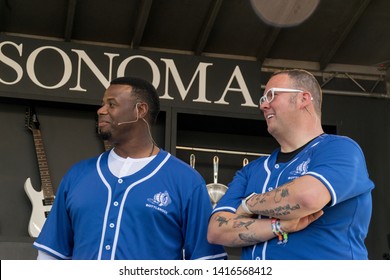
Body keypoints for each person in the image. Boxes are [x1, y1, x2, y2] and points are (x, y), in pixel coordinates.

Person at [33, 76, 227, 260]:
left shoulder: (186, 181)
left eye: (111, 104)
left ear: (140, 110)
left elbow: (206, 261)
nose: (101, 110)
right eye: (102, 104)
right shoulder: (78, 175)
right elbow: (51, 255)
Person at [207, 69, 375, 260]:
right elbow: (216, 231)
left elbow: (307, 198)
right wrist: (278, 226)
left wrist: (248, 204)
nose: (264, 106)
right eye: (262, 100)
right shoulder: (251, 170)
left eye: (271, 95)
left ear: (303, 98)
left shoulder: (340, 148)